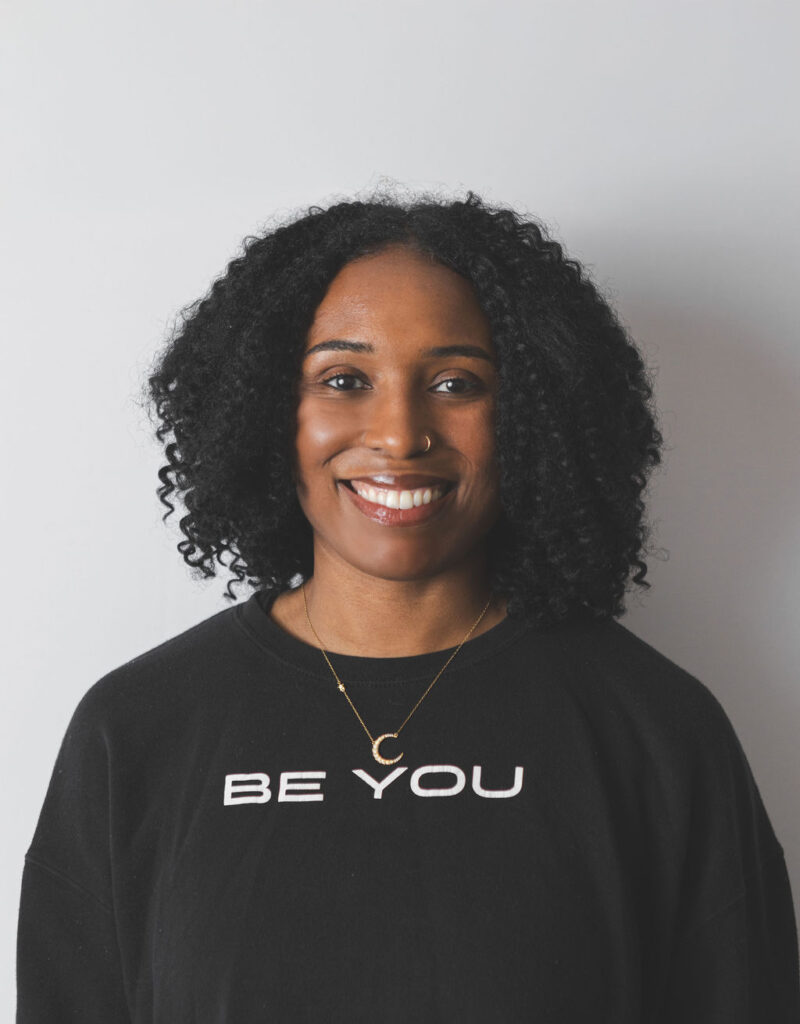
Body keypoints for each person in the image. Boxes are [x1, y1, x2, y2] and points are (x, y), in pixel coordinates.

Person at [16, 190, 800, 1022]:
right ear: (268, 414)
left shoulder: (652, 727)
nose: (399, 434)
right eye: (344, 380)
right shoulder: (139, 728)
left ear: (532, 415)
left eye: (456, 383)